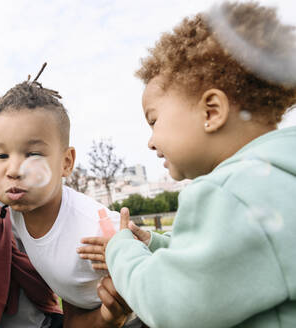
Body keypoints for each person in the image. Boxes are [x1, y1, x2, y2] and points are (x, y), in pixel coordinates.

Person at [103, 2, 296, 327]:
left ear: (210, 112)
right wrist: (155, 242)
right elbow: (234, 260)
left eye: (154, 121)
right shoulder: (276, 177)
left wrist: (120, 249)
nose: (150, 141)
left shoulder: (229, 193)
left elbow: (170, 303)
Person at [0, 76, 142, 328]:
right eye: (1, 155)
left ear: (66, 162)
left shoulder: (97, 232)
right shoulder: (14, 209)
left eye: (33, 154)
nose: (13, 170)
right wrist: (108, 317)